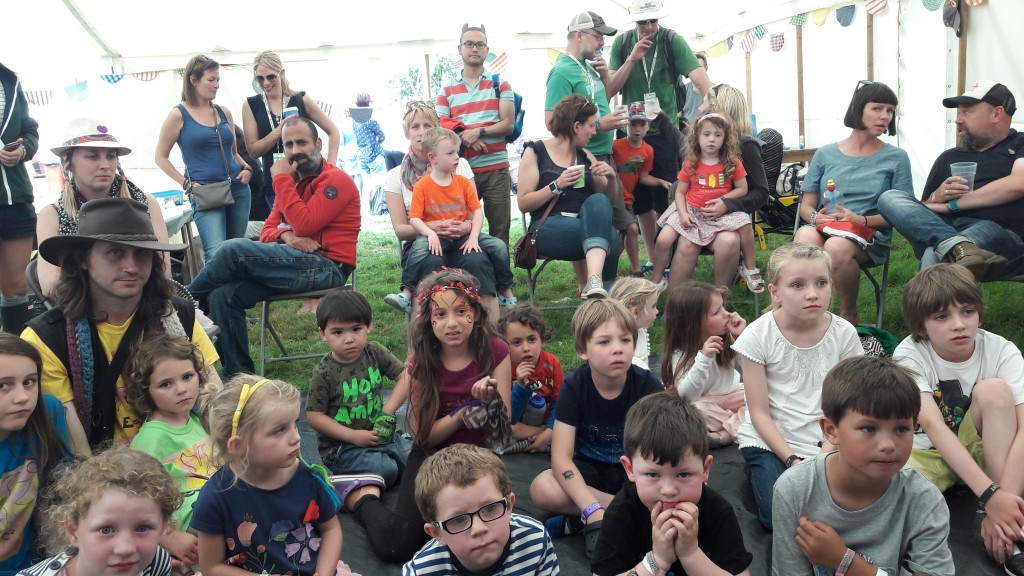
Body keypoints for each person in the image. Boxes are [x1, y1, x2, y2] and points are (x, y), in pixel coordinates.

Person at [22, 198, 220, 455]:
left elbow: (212, 395)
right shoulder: (46, 338)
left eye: (142, 253)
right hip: (104, 474)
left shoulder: (176, 315)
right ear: (82, 259)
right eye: (115, 252)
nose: (131, 266)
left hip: (190, 457)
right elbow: (77, 449)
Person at [350, 268, 513, 563]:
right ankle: (362, 499)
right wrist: (463, 414)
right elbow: (424, 436)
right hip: (431, 456)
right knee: (396, 546)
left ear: (474, 312)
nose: (452, 323)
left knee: (494, 537)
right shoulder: (424, 360)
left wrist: (492, 403)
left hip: (479, 458)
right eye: (440, 315)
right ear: (429, 320)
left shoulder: (496, 350)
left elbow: (503, 430)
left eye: (460, 310)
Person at [186, 116, 359, 377]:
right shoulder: (291, 183)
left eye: (302, 142)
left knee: (232, 250)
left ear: (318, 144)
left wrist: (280, 182)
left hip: (329, 267)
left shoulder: (335, 180)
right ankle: (239, 377)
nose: (295, 151)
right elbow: (268, 231)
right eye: (288, 145)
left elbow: (305, 223)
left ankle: (180, 305)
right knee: (223, 295)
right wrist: (288, 237)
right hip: (295, 262)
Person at [893, 263, 1024, 573]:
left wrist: (1000, 501)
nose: (959, 325)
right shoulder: (910, 353)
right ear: (921, 326)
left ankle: (1008, 530)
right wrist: (992, 497)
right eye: (942, 316)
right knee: (884, 492)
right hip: (928, 453)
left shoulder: (1000, 350)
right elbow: (935, 427)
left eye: (967, 311)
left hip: (986, 452)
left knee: (994, 391)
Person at [772, 356, 955, 575]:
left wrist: (845, 562)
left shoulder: (923, 500)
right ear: (831, 430)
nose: (888, 445)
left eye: (901, 429)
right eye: (869, 428)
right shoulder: (795, 490)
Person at [731, 243, 863, 529]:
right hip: (773, 440)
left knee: (851, 508)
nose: (812, 293)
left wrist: (827, 450)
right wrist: (792, 460)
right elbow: (759, 413)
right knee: (779, 516)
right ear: (775, 292)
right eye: (798, 285)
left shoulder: (844, 333)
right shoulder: (758, 336)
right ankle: (761, 468)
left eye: (821, 283)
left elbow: (851, 403)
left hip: (829, 438)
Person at [529, 299, 663, 559]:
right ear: (582, 350)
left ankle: (576, 522)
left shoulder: (647, 385)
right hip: (589, 472)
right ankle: (618, 513)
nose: (618, 349)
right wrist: (592, 509)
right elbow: (560, 458)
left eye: (625, 340)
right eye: (604, 342)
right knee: (541, 488)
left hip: (634, 473)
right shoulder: (575, 387)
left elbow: (665, 447)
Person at [192, 375, 343, 576]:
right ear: (239, 445)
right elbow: (211, 568)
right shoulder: (215, 498)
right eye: (280, 430)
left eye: (294, 424)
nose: (297, 437)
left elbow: (331, 530)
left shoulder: (308, 478)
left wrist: (323, 573)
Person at [592, 391, 754, 576]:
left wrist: (690, 554)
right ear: (630, 469)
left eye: (683, 474)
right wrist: (658, 560)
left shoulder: (716, 511)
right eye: (653, 474)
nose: (668, 490)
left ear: (705, 469)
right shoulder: (623, 511)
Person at [877, 80, 1024, 282]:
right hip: (945, 229)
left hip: (1002, 234)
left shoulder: (1020, 144)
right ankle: (958, 246)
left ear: (997, 113)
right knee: (889, 197)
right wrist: (937, 196)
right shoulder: (948, 157)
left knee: (935, 255)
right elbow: (922, 211)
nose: (958, 120)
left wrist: (952, 205)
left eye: (967, 112)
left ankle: (930, 309)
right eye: (958, 113)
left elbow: (1019, 183)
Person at [793, 81, 912, 324]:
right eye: (877, 109)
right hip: (824, 227)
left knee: (836, 247)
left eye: (890, 110)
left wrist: (861, 220)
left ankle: (846, 314)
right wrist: (817, 217)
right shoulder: (825, 154)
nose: (885, 116)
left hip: (869, 234)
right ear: (858, 109)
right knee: (804, 238)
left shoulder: (896, 158)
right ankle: (807, 311)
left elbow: (903, 213)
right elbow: (806, 206)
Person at [382, 102, 511, 318]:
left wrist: (463, 227)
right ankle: (422, 342)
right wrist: (432, 228)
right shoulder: (395, 177)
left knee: (477, 259)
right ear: (406, 132)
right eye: (415, 126)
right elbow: (401, 230)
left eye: (428, 125)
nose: (422, 132)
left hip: (463, 237)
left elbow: (473, 213)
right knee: (430, 261)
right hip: (423, 242)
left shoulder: (459, 166)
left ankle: (489, 336)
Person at [607, 0, 712, 260]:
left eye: (653, 20)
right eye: (643, 22)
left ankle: (671, 252)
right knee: (637, 197)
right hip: (631, 134)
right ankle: (655, 258)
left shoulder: (671, 40)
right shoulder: (622, 44)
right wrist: (632, 59)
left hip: (665, 133)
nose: (649, 27)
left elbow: (697, 73)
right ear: (634, 21)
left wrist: (711, 99)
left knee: (669, 192)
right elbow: (610, 88)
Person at [37, 119, 171, 298]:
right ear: (69, 162)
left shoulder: (145, 203)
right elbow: (49, 284)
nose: (105, 165)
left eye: (111, 156)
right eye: (93, 156)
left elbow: (164, 270)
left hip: (146, 303)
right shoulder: (52, 215)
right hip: (81, 309)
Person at [306, 288, 411, 511]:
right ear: (323, 334)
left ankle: (386, 459)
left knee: (414, 460)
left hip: (378, 434)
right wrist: (353, 436)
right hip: (342, 447)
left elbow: (405, 377)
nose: (349, 339)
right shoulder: (324, 372)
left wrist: (387, 412)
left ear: (368, 326)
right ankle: (341, 483)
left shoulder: (374, 352)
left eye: (356, 329)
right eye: (338, 332)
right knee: (388, 469)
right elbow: (314, 416)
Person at [126, 334, 218, 572]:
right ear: (148, 391)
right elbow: (134, 500)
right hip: (190, 526)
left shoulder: (198, 421)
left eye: (187, 377)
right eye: (166, 384)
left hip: (216, 510)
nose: (181, 389)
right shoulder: (151, 438)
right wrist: (168, 536)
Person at [517, 94, 620, 299]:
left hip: (585, 223)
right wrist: (557, 185)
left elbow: (606, 200)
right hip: (547, 226)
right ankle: (603, 297)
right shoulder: (535, 151)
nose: (594, 130)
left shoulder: (585, 155)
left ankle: (594, 283)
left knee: (597, 202)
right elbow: (523, 203)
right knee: (611, 236)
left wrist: (611, 177)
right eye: (590, 125)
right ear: (575, 126)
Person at [19, 447, 180, 576]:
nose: (126, 548)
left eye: (142, 528)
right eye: (106, 530)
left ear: (162, 526)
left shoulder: (156, 562)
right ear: (74, 532)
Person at [404, 443, 560, 575]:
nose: (479, 529)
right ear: (437, 532)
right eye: (458, 519)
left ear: (509, 506)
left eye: (490, 508)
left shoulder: (535, 540)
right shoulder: (422, 571)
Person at [155, 55, 253, 263]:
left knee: (235, 252)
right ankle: (210, 296)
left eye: (218, 80)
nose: (216, 85)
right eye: (211, 80)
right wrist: (187, 184)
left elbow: (234, 152)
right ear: (193, 80)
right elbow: (160, 158)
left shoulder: (223, 111)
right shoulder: (178, 115)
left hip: (238, 188)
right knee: (216, 254)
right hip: (206, 193)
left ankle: (233, 295)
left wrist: (247, 168)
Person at [545, 11, 632, 245]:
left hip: (604, 153)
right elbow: (551, 121)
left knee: (616, 223)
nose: (602, 42)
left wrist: (604, 76)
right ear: (579, 35)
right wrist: (602, 124)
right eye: (598, 36)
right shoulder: (562, 71)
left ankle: (603, 276)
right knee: (596, 223)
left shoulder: (588, 67)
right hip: (584, 157)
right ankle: (593, 279)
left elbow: (600, 101)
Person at [651, 113, 761, 292]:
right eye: (707, 134)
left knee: (745, 222)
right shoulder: (692, 162)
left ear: (725, 138)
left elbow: (742, 189)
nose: (712, 140)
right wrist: (683, 213)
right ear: (697, 137)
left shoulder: (731, 162)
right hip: (691, 210)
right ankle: (657, 281)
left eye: (718, 135)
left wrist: (724, 200)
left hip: (719, 211)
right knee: (663, 239)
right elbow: (680, 192)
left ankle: (750, 268)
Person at [409, 127, 516, 311]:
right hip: (437, 238)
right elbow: (414, 218)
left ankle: (505, 289)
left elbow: (477, 212)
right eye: (450, 153)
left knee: (498, 246)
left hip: (464, 236)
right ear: (432, 158)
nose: (456, 157)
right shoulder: (422, 186)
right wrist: (430, 233)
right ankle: (406, 292)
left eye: (457, 152)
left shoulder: (463, 182)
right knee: (418, 250)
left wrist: (474, 237)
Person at [437, 23, 515, 246]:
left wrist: (478, 131)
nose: (474, 49)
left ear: (486, 49)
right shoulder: (446, 90)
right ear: (460, 48)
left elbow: (508, 124)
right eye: (469, 44)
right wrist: (466, 136)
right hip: (459, 171)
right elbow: (442, 128)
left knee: (500, 231)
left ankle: (501, 280)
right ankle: (465, 278)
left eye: (480, 44)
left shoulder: (501, 84)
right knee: (459, 228)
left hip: (496, 169)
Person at [0, 334, 70, 574]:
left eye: (29, 381)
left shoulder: (46, 414)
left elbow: (63, 493)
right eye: (3, 385)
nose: (22, 397)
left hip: (38, 565)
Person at [242, 50, 340, 211]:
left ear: (281, 74)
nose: (266, 83)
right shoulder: (251, 105)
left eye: (271, 76)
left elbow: (333, 131)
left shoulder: (300, 99)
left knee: (310, 227)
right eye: (260, 78)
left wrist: (331, 165)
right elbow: (253, 151)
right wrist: (279, 130)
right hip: (274, 181)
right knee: (284, 231)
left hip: (307, 178)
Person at [696, 84, 771, 277]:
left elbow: (762, 194)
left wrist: (727, 204)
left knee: (727, 240)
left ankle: (720, 298)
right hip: (698, 215)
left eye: (704, 103)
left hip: (728, 219)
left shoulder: (746, 146)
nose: (699, 108)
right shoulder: (703, 146)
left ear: (718, 109)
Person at [663, 281, 747, 448]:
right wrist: (703, 358)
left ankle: (725, 435)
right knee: (694, 412)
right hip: (707, 406)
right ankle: (741, 427)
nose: (726, 314)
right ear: (692, 323)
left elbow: (754, 370)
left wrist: (742, 338)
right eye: (717, 312)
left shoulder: (726, 337)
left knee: (766, 398)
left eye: (723, 307)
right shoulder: (680, 354)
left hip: (734, 397)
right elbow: (688, 396)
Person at [0, 63, 39, 335]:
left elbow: (30, 130)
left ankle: (15, 360)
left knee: (16, 285)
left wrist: (23, 149)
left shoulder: (9, 79)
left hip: (14, 196)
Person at [613, 102, 670, 276]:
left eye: (642, 124)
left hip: (628, 199)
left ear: (648, 126)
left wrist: (660, 182)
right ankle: (628, 270)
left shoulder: (648, 151)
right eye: (633, 124)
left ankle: (618, 270)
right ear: (625, 125)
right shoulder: (615, 146)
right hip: (615, 198)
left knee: (625, 235)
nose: (637, 129)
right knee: (624, 233)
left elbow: (644, 177)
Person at [499, 303, 563, 453]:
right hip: (518, 425)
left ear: (542, 340)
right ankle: (539, 435)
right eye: (517, 342)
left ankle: (545, 435)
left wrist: (549, 430)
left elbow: (559, 403)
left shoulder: (552, 364)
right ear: (505, 345)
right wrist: (520, 386)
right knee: (502, 428)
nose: (526, 348)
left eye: (532, 339)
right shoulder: (505, 366)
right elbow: (509, 417)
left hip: (545, 421)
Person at [608, 276, 660, 370]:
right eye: (653, 306)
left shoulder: (640, 330)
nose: (657, 311)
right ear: (635, 312)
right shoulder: (621, 343)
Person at [351, 92, 386, 177]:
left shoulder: (354, 121)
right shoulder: (371, 121)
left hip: (362, 157)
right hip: (375, 156)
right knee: (381, 182)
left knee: (367, 184)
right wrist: (377, 142)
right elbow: (382, 136)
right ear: (368, 103)